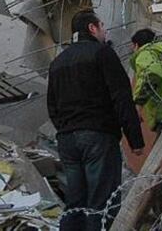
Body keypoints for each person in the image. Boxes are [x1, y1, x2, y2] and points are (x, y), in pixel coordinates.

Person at [47, 12, 144, 231]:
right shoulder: (102, 53)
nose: (105, 30)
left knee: (75, 203)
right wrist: (135, 139)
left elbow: (52, 106)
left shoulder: (57, 63)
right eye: (102, 26)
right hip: (98, 137)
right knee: (102, 203)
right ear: (92, 28)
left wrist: (65, 129)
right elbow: (121, 97)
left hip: (67, 141)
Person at [129, 28, 162, 134]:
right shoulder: (161, 53)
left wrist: (138, 104)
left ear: (136, 45)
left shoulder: (144, 54)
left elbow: (153, 74)